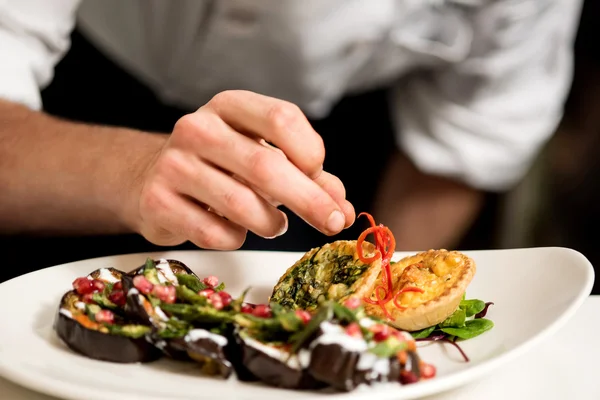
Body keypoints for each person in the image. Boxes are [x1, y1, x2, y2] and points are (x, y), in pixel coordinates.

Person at [0, 0, 583, 277]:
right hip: (65, 113)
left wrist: (370, 300)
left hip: (347, 153)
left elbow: (463, 142)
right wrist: (132, 172)